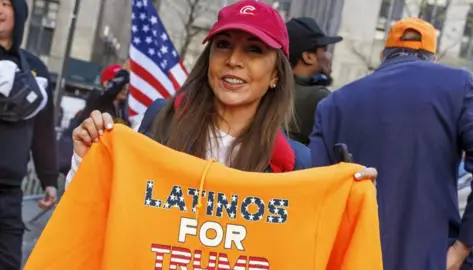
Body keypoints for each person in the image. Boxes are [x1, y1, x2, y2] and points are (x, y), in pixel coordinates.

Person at [66, 1, 376, 186]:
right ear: (209, 59)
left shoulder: (298, 163)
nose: (234, 60)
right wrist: (84, 159)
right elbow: (105, 205)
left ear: (276, 75)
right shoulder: (160, 120)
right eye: (223, 45)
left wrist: (354, 201)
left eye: (254, 50)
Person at [309, 17, 473, 270]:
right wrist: (463, 247)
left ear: (383, 55)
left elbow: (317, 192)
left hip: (352, 257)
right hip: (432, 257)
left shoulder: (333, 104)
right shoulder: (459, 85)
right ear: (433, 58)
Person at [0, 0, 58, 269]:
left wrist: (49, 179)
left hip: (10, 193)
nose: (0, 10)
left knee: (9, 262)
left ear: (19, 13)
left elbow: (43, 129)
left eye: (5, 4)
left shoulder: (35, 70)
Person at [57, 62, 130, 175]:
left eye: (127, 85)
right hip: (85, 164)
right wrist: (125, 73)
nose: (126, 87)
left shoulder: (121, 109)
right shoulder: (97, 98)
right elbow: (110, 91)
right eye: (122, 84)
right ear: (107, 83)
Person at [285, 17, 342, 146]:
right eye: (325, 50)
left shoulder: (275, 89)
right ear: (308, 57)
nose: (329, 56)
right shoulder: (318, 97)